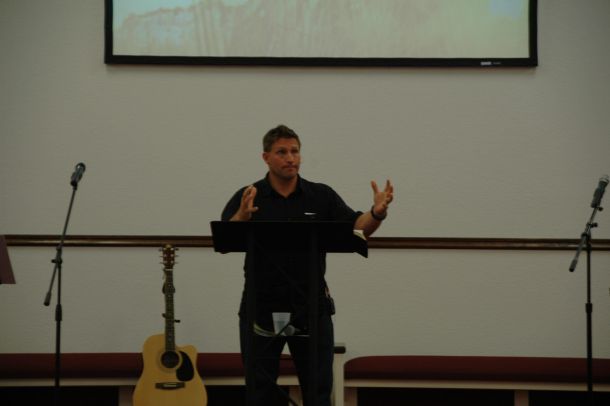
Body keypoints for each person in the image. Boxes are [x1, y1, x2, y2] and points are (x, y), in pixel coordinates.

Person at [221, 124, 393, 406]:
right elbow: (226, 240)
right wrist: (241, 216)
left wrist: (376, 213)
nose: (290, 158)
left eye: (295, 151)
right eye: (282, 152)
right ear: (266, 157)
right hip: (260, 307)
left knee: (317, 393)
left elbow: (358, 229)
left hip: (311, 307)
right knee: (260, 394)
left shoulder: (320, 195)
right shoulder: (249, 196)